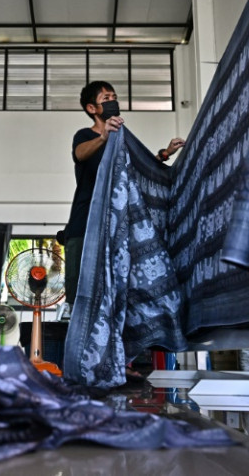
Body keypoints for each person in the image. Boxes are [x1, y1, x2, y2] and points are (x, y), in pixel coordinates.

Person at [62, 80, 185, 319]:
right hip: (84, 222)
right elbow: (80, 154)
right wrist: (104, 135)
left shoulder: (121, 139)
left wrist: (165, 153)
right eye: (105, 98)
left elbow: (141, 167)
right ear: (91, 109)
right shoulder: (86, 136)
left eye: (114, 97)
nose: (112, 101)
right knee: (78, 284)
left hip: (115, 225)